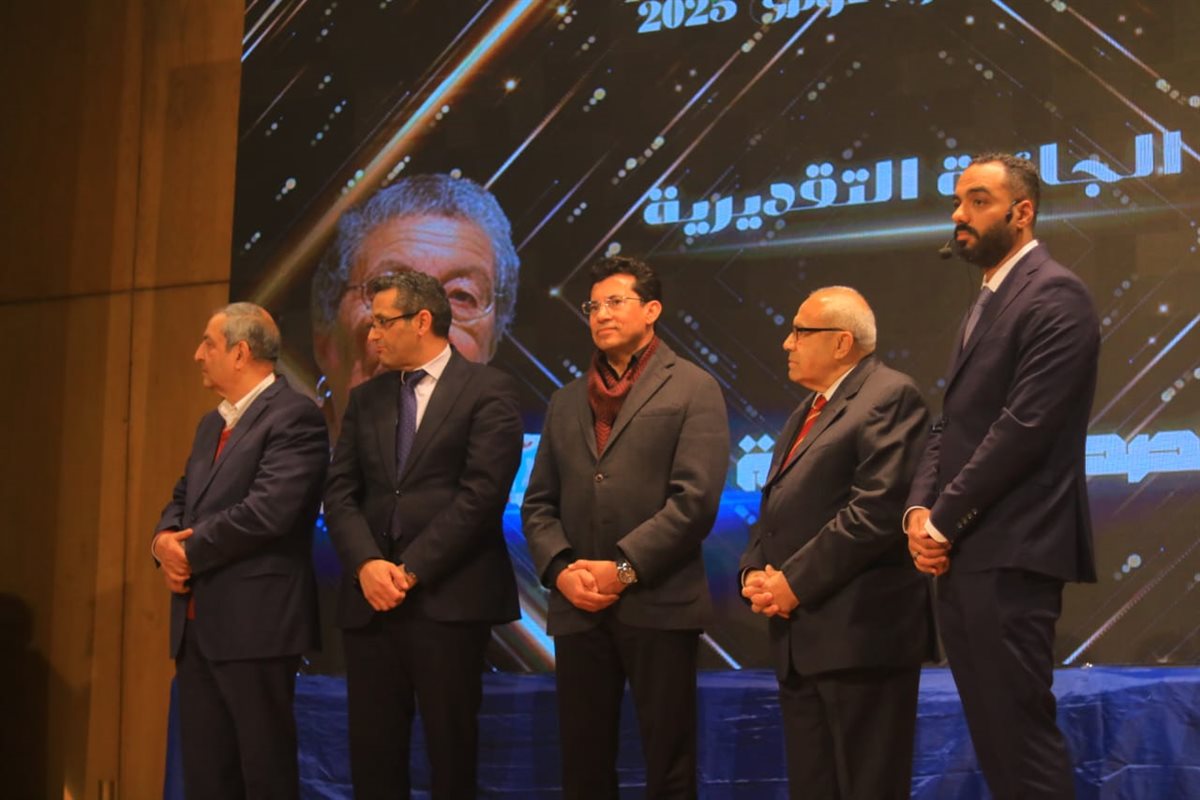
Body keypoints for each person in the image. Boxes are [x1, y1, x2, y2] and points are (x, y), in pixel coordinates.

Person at [906, 153, 1100, 799]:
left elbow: (1024, 428)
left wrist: (942, 520)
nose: (959, 215)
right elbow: (952, 422)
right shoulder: (988, 299)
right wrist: (918, 511)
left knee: (1020, 743)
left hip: (1013, 550)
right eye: (958, 201)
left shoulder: (1055, 294)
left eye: (978, 201)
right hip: (969, 553)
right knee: (997, 744)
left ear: (1023, 212)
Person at [522, 255, 731, 799]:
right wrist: (562, 570)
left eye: (616, 302)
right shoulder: (566, 400)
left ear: (652, 310)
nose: (601, 315)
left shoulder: (693, 387)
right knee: (583, 762)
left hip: (659, 601)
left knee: (669, 762)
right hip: (578, 605)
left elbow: (695, 501)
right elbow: (538, 503)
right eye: (594, 305)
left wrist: (622, 568)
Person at [323, 270, 524, 799]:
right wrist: (368, 564)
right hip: (371, 604)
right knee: (373, 757)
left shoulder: (488, 390)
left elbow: (481, 497)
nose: (372, 335)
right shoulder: (366, 398)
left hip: (448, 600)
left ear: (422, 321)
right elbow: (340, 494)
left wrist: (409, 572)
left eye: (382, 322)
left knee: (451, 756)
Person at [740, 287, 933, 800]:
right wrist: (753, 572)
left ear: (842, 342)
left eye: (800, 332)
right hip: (802, 642)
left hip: (860, 640)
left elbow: (875, 512)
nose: (787, 343)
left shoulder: (890, 395)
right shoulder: (808, 409)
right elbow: (777, 505)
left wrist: (792, 583)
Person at [152, 302, 327, 799]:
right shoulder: (211, 424)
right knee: (207, 778)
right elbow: (183, 497)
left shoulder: (296, 417)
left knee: (263, 775)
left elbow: (269, 512)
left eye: (208, 344)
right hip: (196, 629)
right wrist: (162, 542)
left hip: (257, 627)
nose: (197, 354)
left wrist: (189, 552)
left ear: (240, 353)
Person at [311, 173, 520, 438]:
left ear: (490, 348)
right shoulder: (272, 458)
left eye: (461, 296)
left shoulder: (543, 463)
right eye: (389, 287)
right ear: (326, 344)